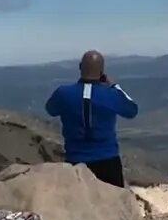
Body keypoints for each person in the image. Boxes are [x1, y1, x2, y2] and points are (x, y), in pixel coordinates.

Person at [45, 49, 138, 187]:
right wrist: (115, 86)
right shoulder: (111, 95)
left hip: (76, 162)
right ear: (102, 72)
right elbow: (132, 110)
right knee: (112, 205)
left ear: (80, 67)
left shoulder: (63, 93)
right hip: (108, 162)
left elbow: (50, 110)